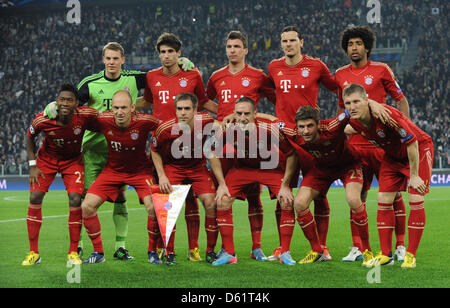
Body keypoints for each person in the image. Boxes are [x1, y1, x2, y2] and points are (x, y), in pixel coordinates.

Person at [138, 32, 218, 262]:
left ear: (179, 53)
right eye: (162, 52)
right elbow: (148, 101)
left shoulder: (193, 75)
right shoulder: (152, 76)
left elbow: (202, 101)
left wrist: (227, 113)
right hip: (161, 148)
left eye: (170, 51)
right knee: (161, 203)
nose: (166, 56)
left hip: (189, 148)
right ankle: (156, 249)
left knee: (192, 200)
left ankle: (194, 248)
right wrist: (123, 107)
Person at [335, 25, 409, 262]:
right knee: (356, 198)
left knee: (394, 197)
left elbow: (401, 100)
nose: (353, 48)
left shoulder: (381, 69)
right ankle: (358, 247)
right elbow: (341, 111)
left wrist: (403, 130)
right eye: (349, 44)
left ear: (366, 46)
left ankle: (399, 246)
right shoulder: (340, 74)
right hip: (356, 147)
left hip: (382, 146)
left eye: (357, 43)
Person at [266, 25, 339, 260]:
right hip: (283, 139)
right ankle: (282, 248)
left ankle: (322, 247)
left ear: (302, 42)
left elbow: (338, 87)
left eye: (292, 40)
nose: (288, 44)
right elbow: (268, 90)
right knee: (282, 193)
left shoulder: (316, 66)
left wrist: (338, 114)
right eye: (284, 41)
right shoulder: (273, 67)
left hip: (309, 139)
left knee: (318, 193)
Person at [343, 83, 434, 269]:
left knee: (415, 197)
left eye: (356, 102)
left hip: (418, 149)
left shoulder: (385, 115)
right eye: (348, 103)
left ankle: (410, 255)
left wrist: (414, 175)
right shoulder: (353, 121)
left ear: (366, 100)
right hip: (392, 156)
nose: (352, 107)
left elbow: (412, 141)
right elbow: (340, 127)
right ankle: (386, 254)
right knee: (383, 200)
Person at [279, 106, 382, 265]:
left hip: (348, 166)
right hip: (321, 169)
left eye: (310, 126)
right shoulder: (292, 132)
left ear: (318, 124)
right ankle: (317, 250)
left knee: (354, 200)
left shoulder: (332, 126)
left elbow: (352, 109)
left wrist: (374, 105)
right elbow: (271, 122)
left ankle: (367, 251)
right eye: (301, 127)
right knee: (299, 203)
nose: (305, 131)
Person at [206, 30, 276, 261]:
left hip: (251, 142)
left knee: (255, 195)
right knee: (221, 193)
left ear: (245, 50)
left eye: (236, 46)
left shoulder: (257, 76)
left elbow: (277, 99)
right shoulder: (216, 76)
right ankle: (223, 249)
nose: (232, 51)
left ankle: (257, 248)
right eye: (229, 47)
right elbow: (207, 100)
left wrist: (262, 117)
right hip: (225, 142)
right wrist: (220, 119)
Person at [213, 97, 297, 266]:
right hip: (243, 169)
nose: (242, 118)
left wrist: (286, 185)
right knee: (222, 200)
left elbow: (291, 154)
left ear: (255, 114)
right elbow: (213, 153)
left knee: (287, 201)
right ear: (234, 114)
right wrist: (222, 184)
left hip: (269, 167)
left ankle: (285, 252)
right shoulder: (229, 130)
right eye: (239, 113)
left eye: (247, 114)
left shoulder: (269, 129)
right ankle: (229, 253)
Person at [22, 84, 98, 266]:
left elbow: (103, 120)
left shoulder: (85, 116)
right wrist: (32, 165)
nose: (65, 103)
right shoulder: (43, 119)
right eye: (62, 99)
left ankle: (73, 252)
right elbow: (29, 137)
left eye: (69, 100)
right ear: (56, 101)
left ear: (76, 103)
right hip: (47, 159)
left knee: (75, 199)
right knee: (35, 196)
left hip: (72, 161)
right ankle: (34, 253)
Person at [81, 90, 160, 264]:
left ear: (132, 108)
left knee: (154, 208)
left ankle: (152, 252)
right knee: (86, 206)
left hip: (140, 172)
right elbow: (79, 118)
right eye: (116, 108)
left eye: (124, 107)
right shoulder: (104, 120)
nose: (119, 112)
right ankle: (98, 253)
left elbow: (166, 128)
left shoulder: (145, 121)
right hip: (113, 172)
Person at [150, 92, 223, 265]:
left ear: (195, 110)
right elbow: (154, 150)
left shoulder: (204, 121)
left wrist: (217, 135)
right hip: (173, 168)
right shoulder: (165, 128)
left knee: (212, 204)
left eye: (187, 109)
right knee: (170, 207)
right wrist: (162, 176)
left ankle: (210, 251)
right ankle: (170, 252)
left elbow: (218, 125)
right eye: (179, 109)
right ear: (175, 110)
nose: (183, 112)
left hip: (197, 169)